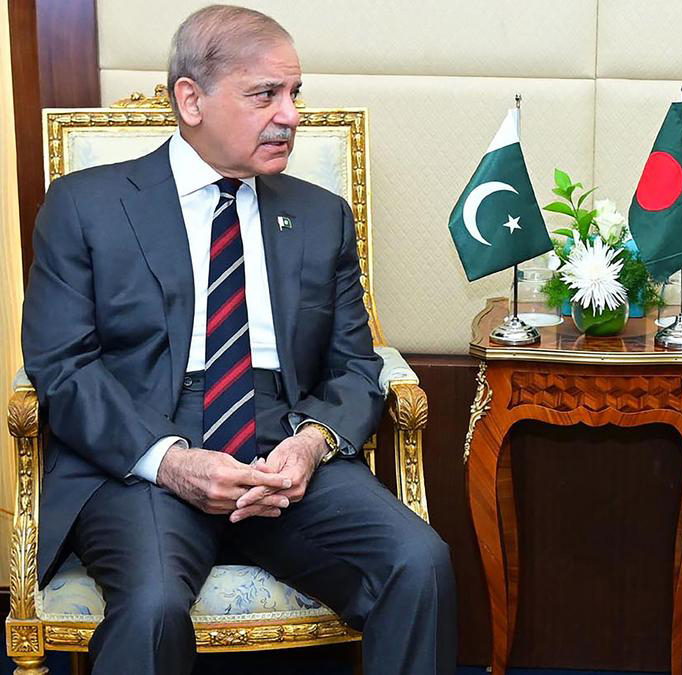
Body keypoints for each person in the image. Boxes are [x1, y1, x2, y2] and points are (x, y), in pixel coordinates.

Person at [21, 5, 455, 674]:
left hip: (280, 445)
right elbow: (63, 366)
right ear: (190, 99)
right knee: (152, 606)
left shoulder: (319, 216)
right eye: (265, 94)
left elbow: (352, 364)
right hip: (143, 456)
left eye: (294, 93)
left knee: (418, 559)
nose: (290, 114)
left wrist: (311, 444)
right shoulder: (86, 205)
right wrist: (169, 459)